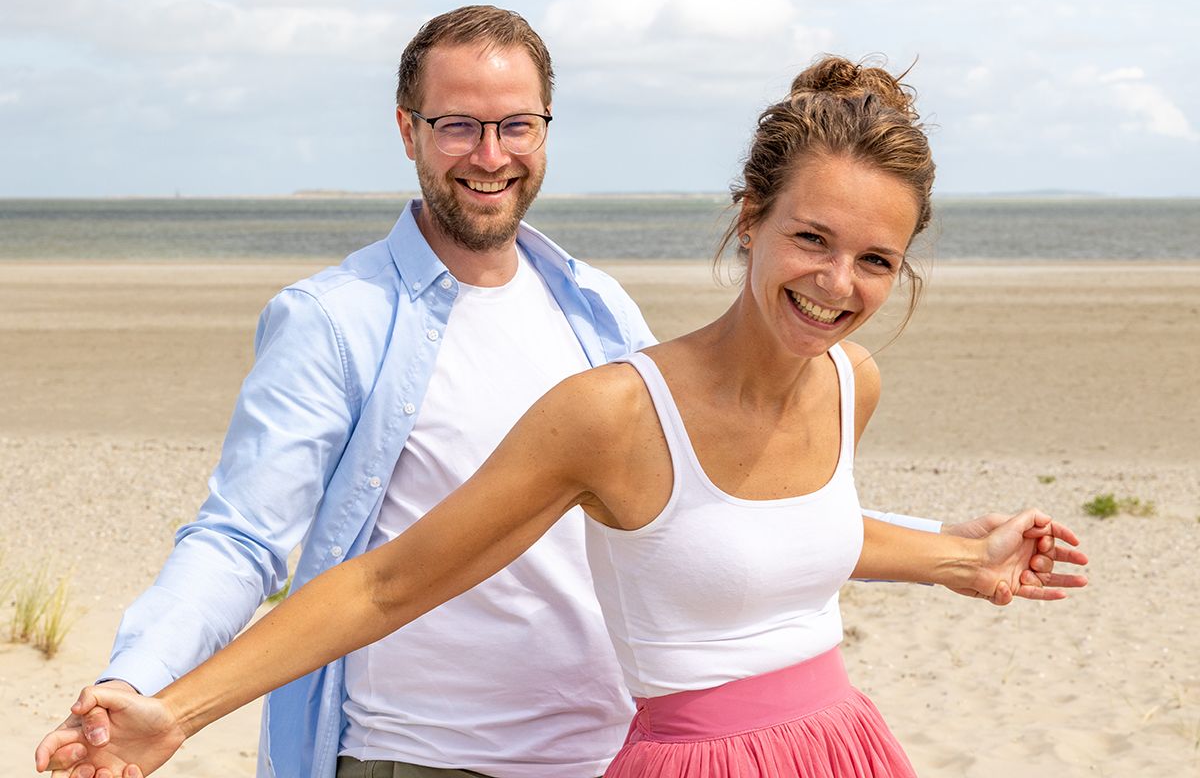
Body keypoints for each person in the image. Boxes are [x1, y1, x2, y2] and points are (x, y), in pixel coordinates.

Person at [38, 54, 1087, 778]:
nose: (837, 282)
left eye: (875, 260)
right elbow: (388, 577)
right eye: (812, 237)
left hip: (839, 742)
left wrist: (963, 556)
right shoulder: (611, 409)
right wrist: (171, 708)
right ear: (750, 219)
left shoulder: (852, 380)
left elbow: (764, 535)